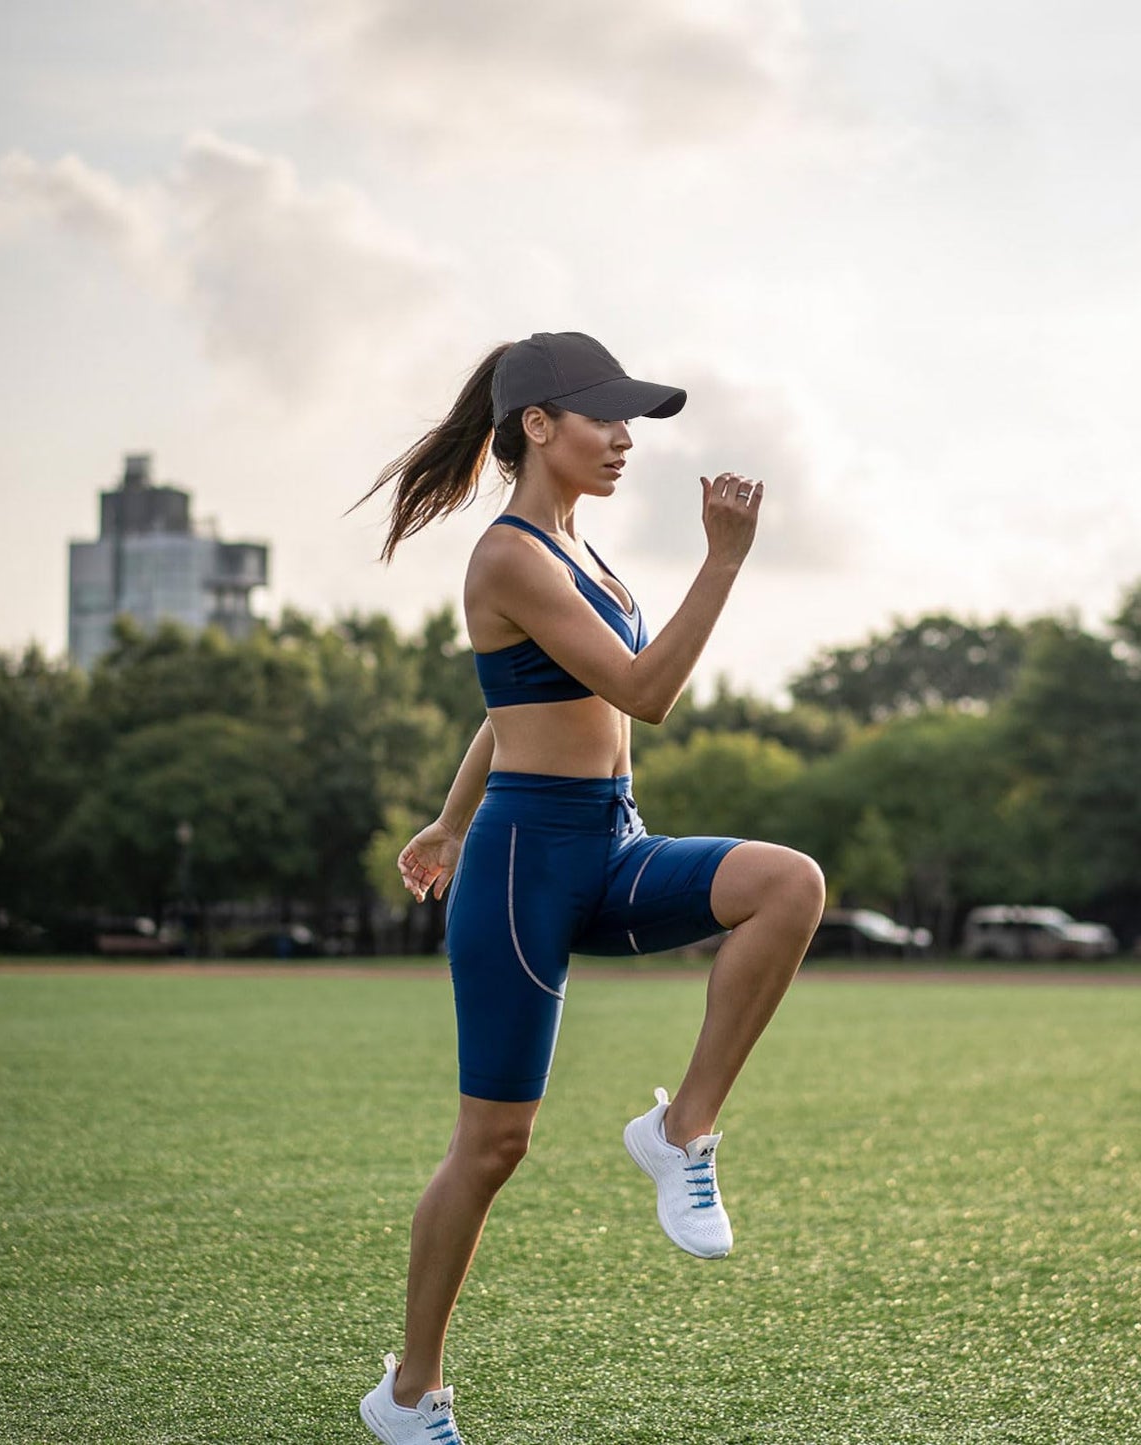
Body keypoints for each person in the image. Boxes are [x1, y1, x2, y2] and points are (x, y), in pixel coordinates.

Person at [354, 331, 825, 1445]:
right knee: (491, 1146)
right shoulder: (510, 554)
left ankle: (681, 1128)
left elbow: (507, 700)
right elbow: (643, 692)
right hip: (527, 869)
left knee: (785, 885)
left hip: (609, 842)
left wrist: (444, 813)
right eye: (604, 418)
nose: (624, 439)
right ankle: (409, 1390)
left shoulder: (585, 554)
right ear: (535, 426)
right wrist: (721, 562)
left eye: (632, 421)